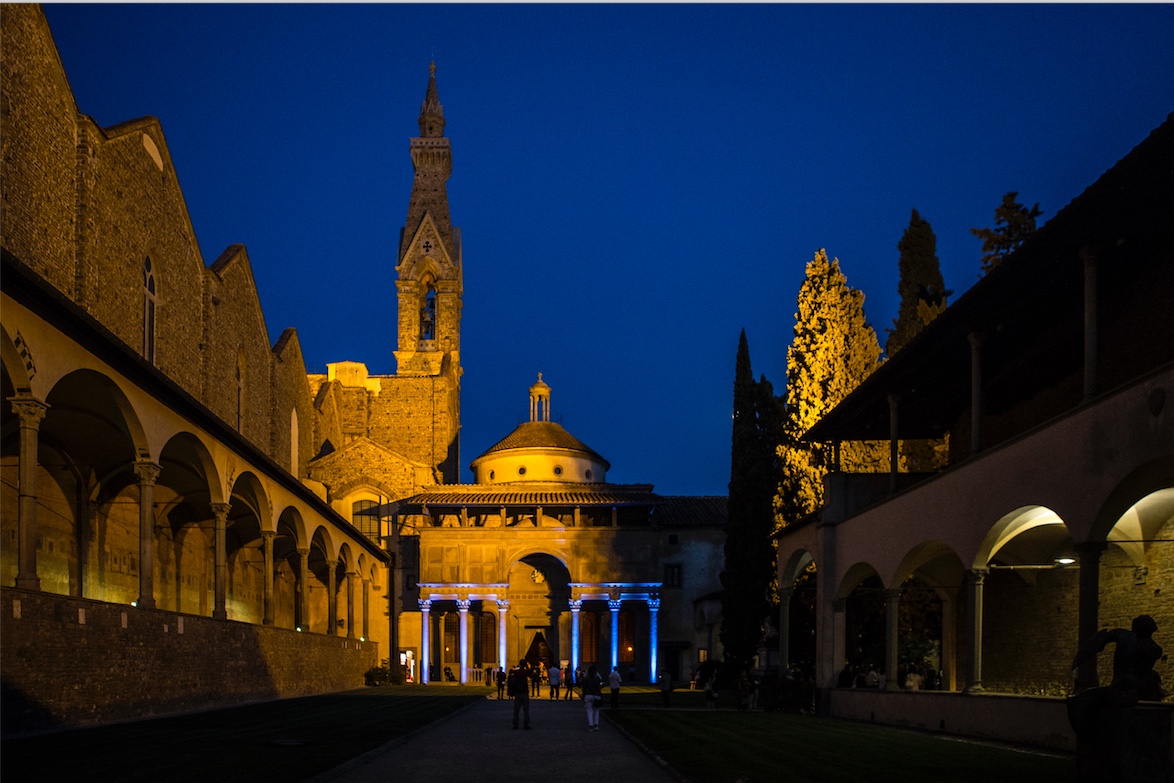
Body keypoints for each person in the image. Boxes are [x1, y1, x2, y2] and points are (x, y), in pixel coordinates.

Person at [507, 660, 531, 729]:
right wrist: (528, 667)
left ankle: (515, 724)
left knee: (516, 709)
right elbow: (531, 673)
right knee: (526, 710)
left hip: (517, 692)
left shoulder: (516, 672)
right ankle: (526, 724)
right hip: (524, 692)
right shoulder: (525, 672)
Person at [581, 665, 604, 731]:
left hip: (588, 695)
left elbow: (584, 687)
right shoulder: (597, 678)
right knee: (596, 711)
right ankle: (596, 725)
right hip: (597, 695)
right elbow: (601, 686)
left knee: (589, 711)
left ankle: (591, 725)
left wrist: (584, 694)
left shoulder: (586, 678)